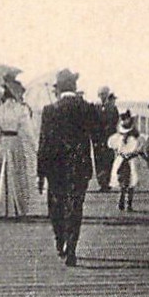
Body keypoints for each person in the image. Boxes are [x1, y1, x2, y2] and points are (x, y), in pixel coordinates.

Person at [36, 69, 100, 266]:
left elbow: (44, 143)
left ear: (59, 88)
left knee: (56, 205)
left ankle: (60, 241)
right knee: (75, 206)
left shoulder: (50, 110)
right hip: (79, 166)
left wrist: (40, 173)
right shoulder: (88, 108)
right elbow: (97, 136)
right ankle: (72, 248)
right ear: (74, 86)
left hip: (56, 168)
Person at [0, 80, 32, 218]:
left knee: (0, 174)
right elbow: (28, 131)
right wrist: (35, 147)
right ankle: (16, 207)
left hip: (2, 143)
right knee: (15, 173)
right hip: (15, 142)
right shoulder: (21, 109)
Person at [108, 114, 145, 212]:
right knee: (130, 182)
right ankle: (128, 203)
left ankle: (123, 201)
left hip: (122, 160)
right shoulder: (137, 139)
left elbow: (112, 147)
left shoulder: (117, 138)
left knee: (124, 181)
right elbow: (140, 149)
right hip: (131, 160)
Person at [94, 86, 119, 192]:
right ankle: (102, 182)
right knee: (98, 159)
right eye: (101, 94)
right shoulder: (95, 107)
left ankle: (107, 181)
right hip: (98, 139)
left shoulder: (113, 108)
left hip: (109, 137)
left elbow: (115, 121)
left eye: (104, 94)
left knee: (108, 159)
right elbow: (93, 122)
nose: (102, 96)